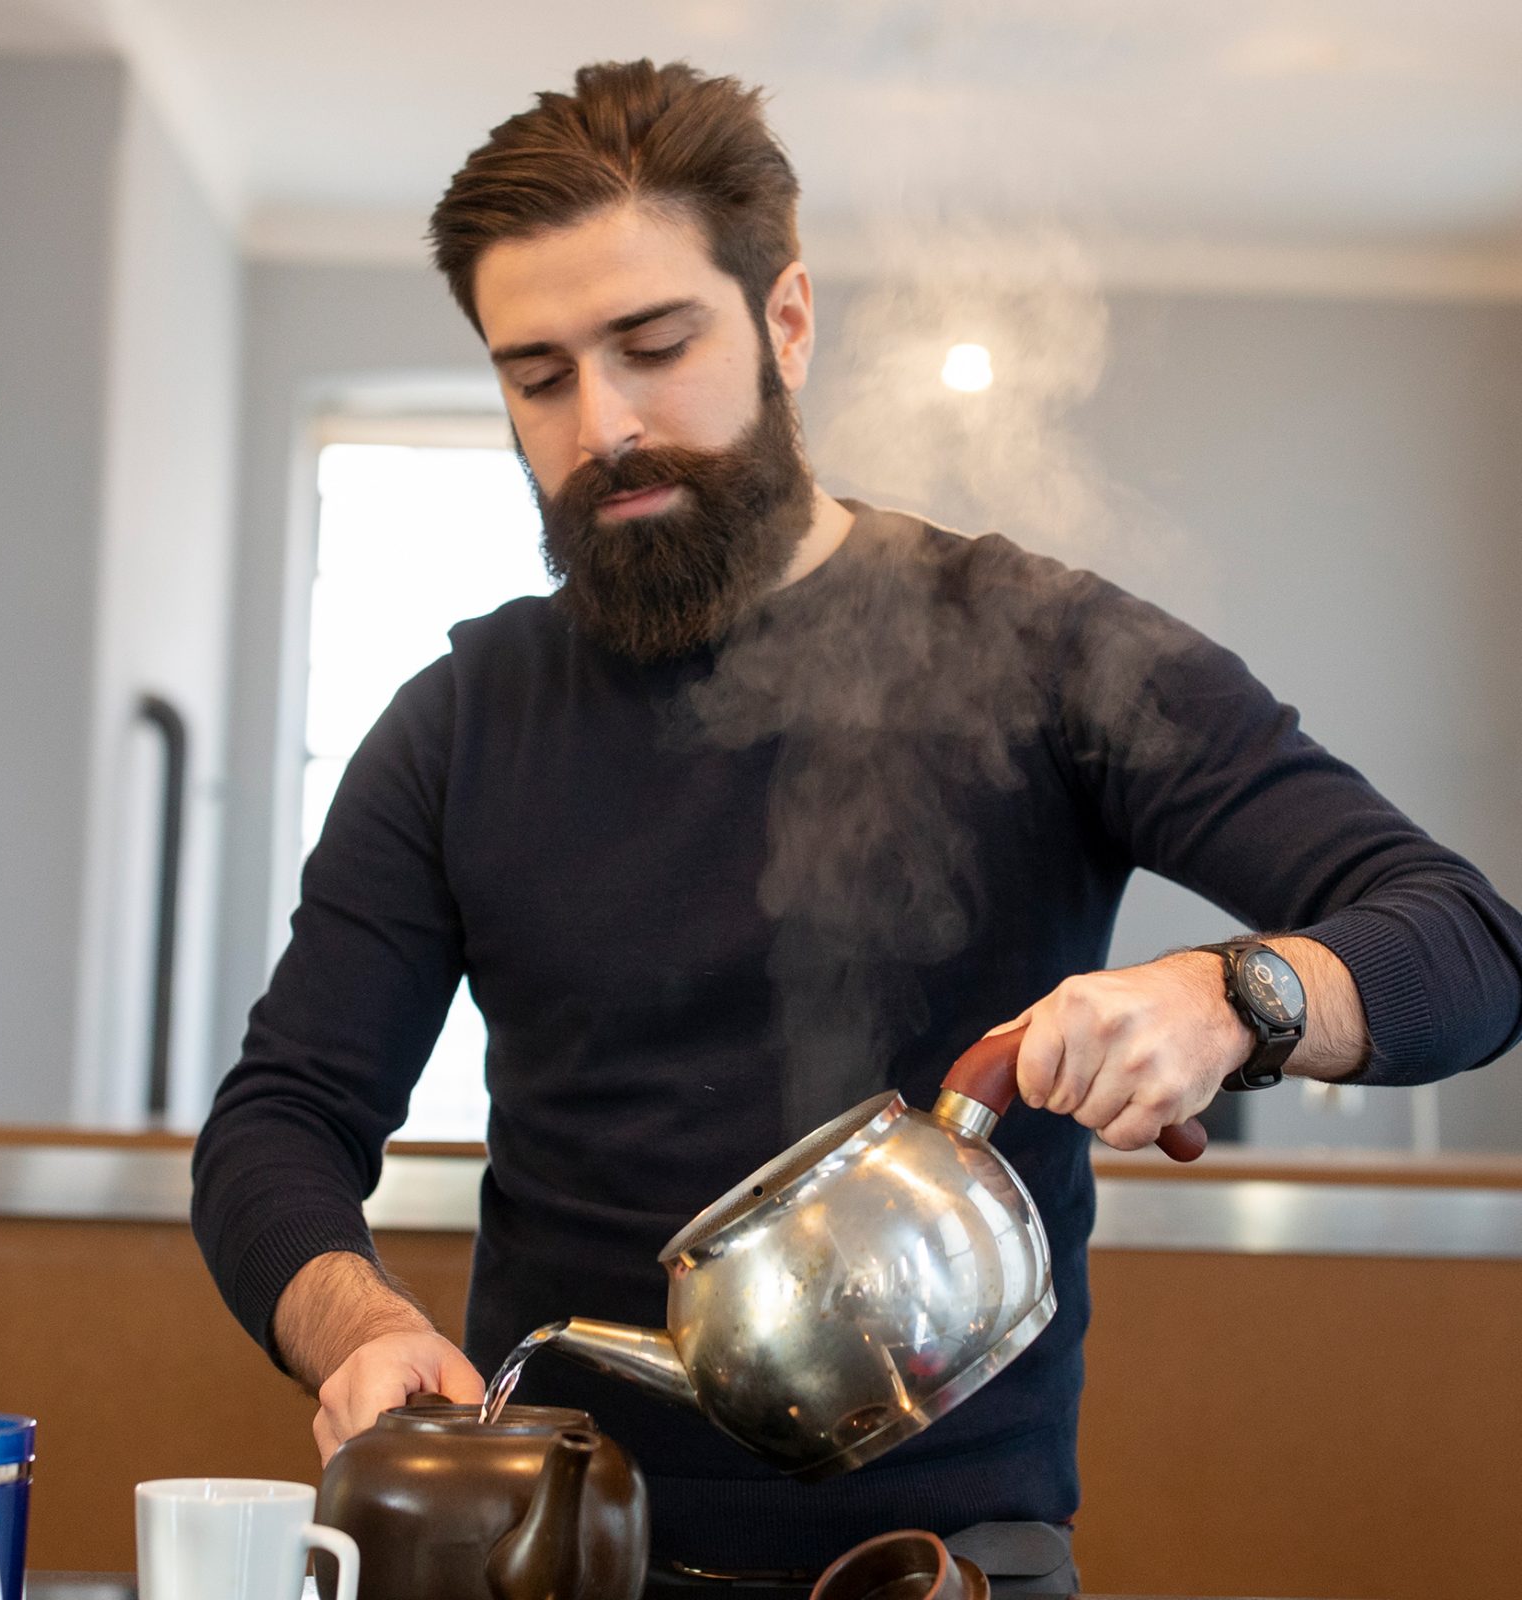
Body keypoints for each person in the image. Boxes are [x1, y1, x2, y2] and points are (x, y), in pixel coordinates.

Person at [191, 57, 1522, 1589]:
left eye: (653, 345)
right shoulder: (463, 719)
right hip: (547, 1559)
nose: (604, 423)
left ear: (787, 320)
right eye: (538, 374)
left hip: (941, 1561)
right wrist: (355, 1324)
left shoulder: (1042, 645)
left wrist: (1238, 995)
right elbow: (279, 1118)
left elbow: (1469, 944)